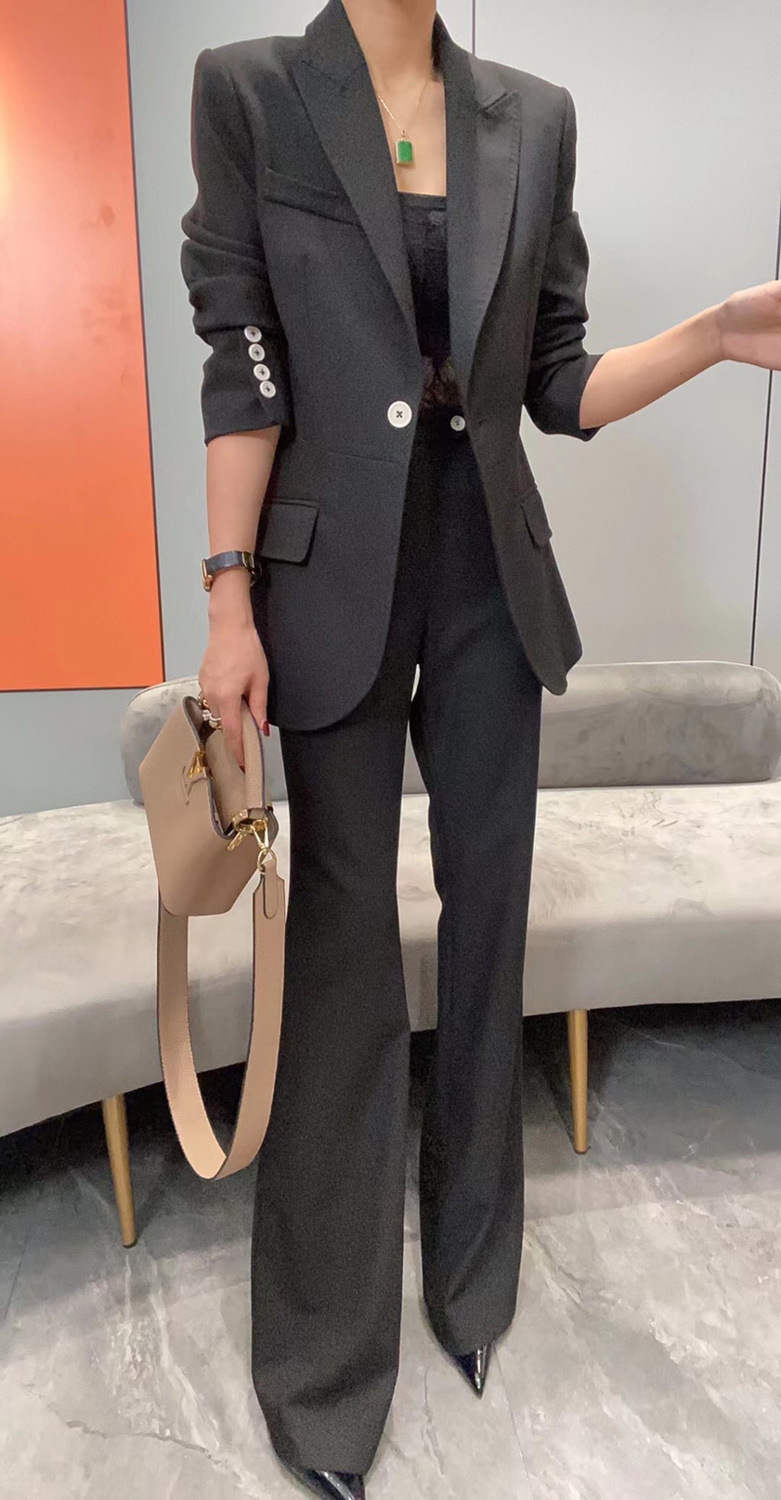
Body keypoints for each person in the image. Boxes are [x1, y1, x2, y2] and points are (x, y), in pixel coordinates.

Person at [180, 2, 781, 1494]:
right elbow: (244, 365)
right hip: (325, 584)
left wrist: (712, 338)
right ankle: (325, 1363)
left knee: (487, 926)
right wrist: (229, 601)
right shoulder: (251, 91)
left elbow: (554, 382)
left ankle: (471, 1285)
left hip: (488, 581)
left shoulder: (534, 113)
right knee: (338, 951)